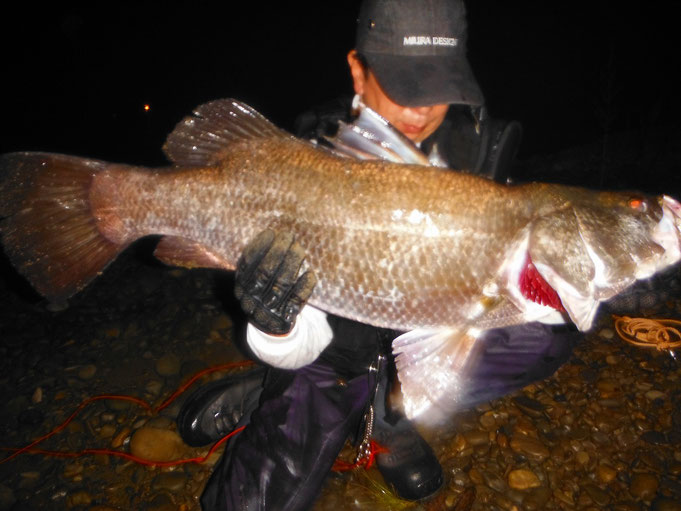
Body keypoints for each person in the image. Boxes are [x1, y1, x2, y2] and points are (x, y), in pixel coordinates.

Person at [177, 1, 581, 509]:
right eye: (403, 84)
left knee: (549, 330)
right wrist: (274, 326)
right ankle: (269, 391)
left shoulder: (481, 149)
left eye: (439, 84)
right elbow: (304, 338)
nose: (420, 110)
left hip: (416, 341)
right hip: (326, 355)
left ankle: (391, 418)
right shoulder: (308, 152)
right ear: (357, 71)